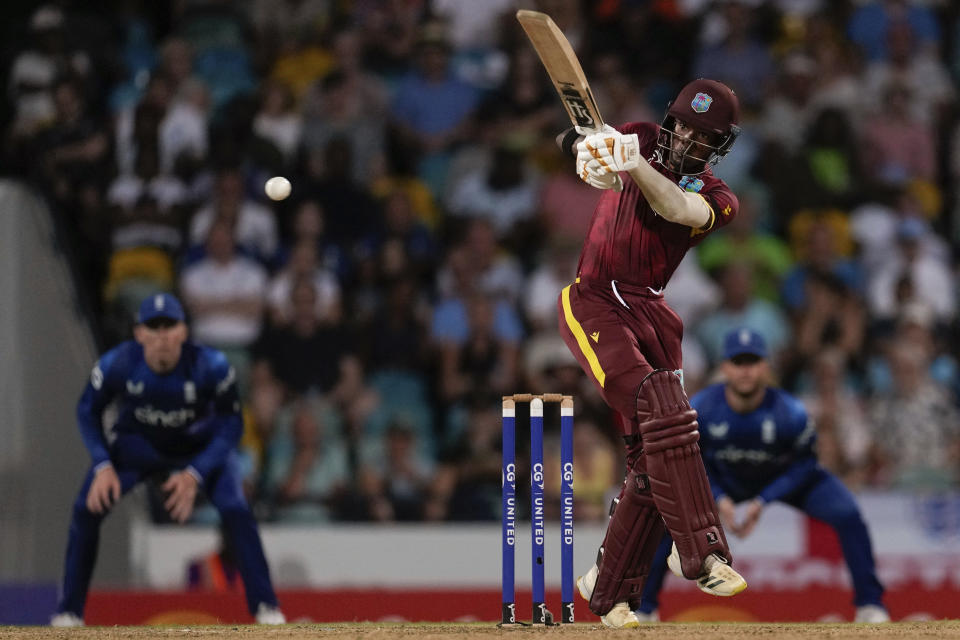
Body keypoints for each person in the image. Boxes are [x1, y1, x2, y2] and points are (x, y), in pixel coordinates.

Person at [555, 78, 747, 628]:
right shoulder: (638, 135)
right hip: (593, 299)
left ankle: (608, 587)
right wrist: (585, 155)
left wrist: (631, 165)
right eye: (683, 123)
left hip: (651, 314)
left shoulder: (720, 198)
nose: (687, 137)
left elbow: (674, 205)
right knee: (664, 406)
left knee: (652, 454)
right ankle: (704, 553)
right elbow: (577, 138)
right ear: (669, 118)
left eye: (703, 134)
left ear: (720, 145)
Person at [50, 293, 285, 627]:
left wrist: (195, 473)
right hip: (137, 448)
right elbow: (87, 410)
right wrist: (102, 463)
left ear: (183, 332)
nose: (161, 336)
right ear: (139, 333)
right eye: (153, 327)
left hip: (196, 448)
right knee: (85, 509)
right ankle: (69, 613)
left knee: (236, 509)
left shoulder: (212, 366)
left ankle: (266, 608)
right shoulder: (117, 363)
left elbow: (232, 424)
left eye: (169, 326)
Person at [635, 328, 889, 623]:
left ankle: (870, 605)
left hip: (780, 480)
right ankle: (645, 609)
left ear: (765, 367)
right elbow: (688, 464)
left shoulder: (791, 412)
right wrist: (718, 498)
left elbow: (805, 465)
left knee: (848, 514)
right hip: (719, 479)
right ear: (725, 367)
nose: (745, 371)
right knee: (664, 517)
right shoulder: (700, 409)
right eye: (738, 362)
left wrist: (763, 500)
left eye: (752, 362)